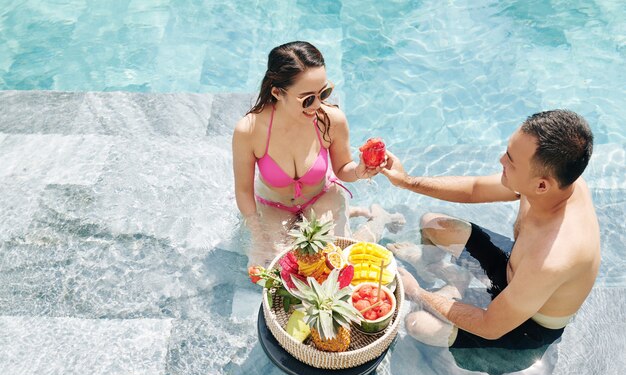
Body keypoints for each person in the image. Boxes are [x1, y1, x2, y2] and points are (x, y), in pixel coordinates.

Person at [381, 109, 600, 349]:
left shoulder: (554, 256)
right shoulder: (554, 181)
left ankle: (445, 292)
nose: (500, 160)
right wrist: (406, 181)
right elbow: (475, 188)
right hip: (514, 269)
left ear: (541, 185)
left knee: (417, 324)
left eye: (510, 160)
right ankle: (444, 274)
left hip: (528, 323)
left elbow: (489, 326)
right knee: (433, 224)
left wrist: (417, 292)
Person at [232, 41, 400, 266]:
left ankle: (379, 218)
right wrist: (258, 234)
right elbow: (243, 191)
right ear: (277, 92)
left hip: (320, 197)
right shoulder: (250, 130)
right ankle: (352, 213)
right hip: (274, 206)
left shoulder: (331, 119)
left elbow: (342, 170)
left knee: (334, 262)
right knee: (274, 268)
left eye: (324, 92)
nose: (319, 105)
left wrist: (360, 170)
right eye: (308, 98)